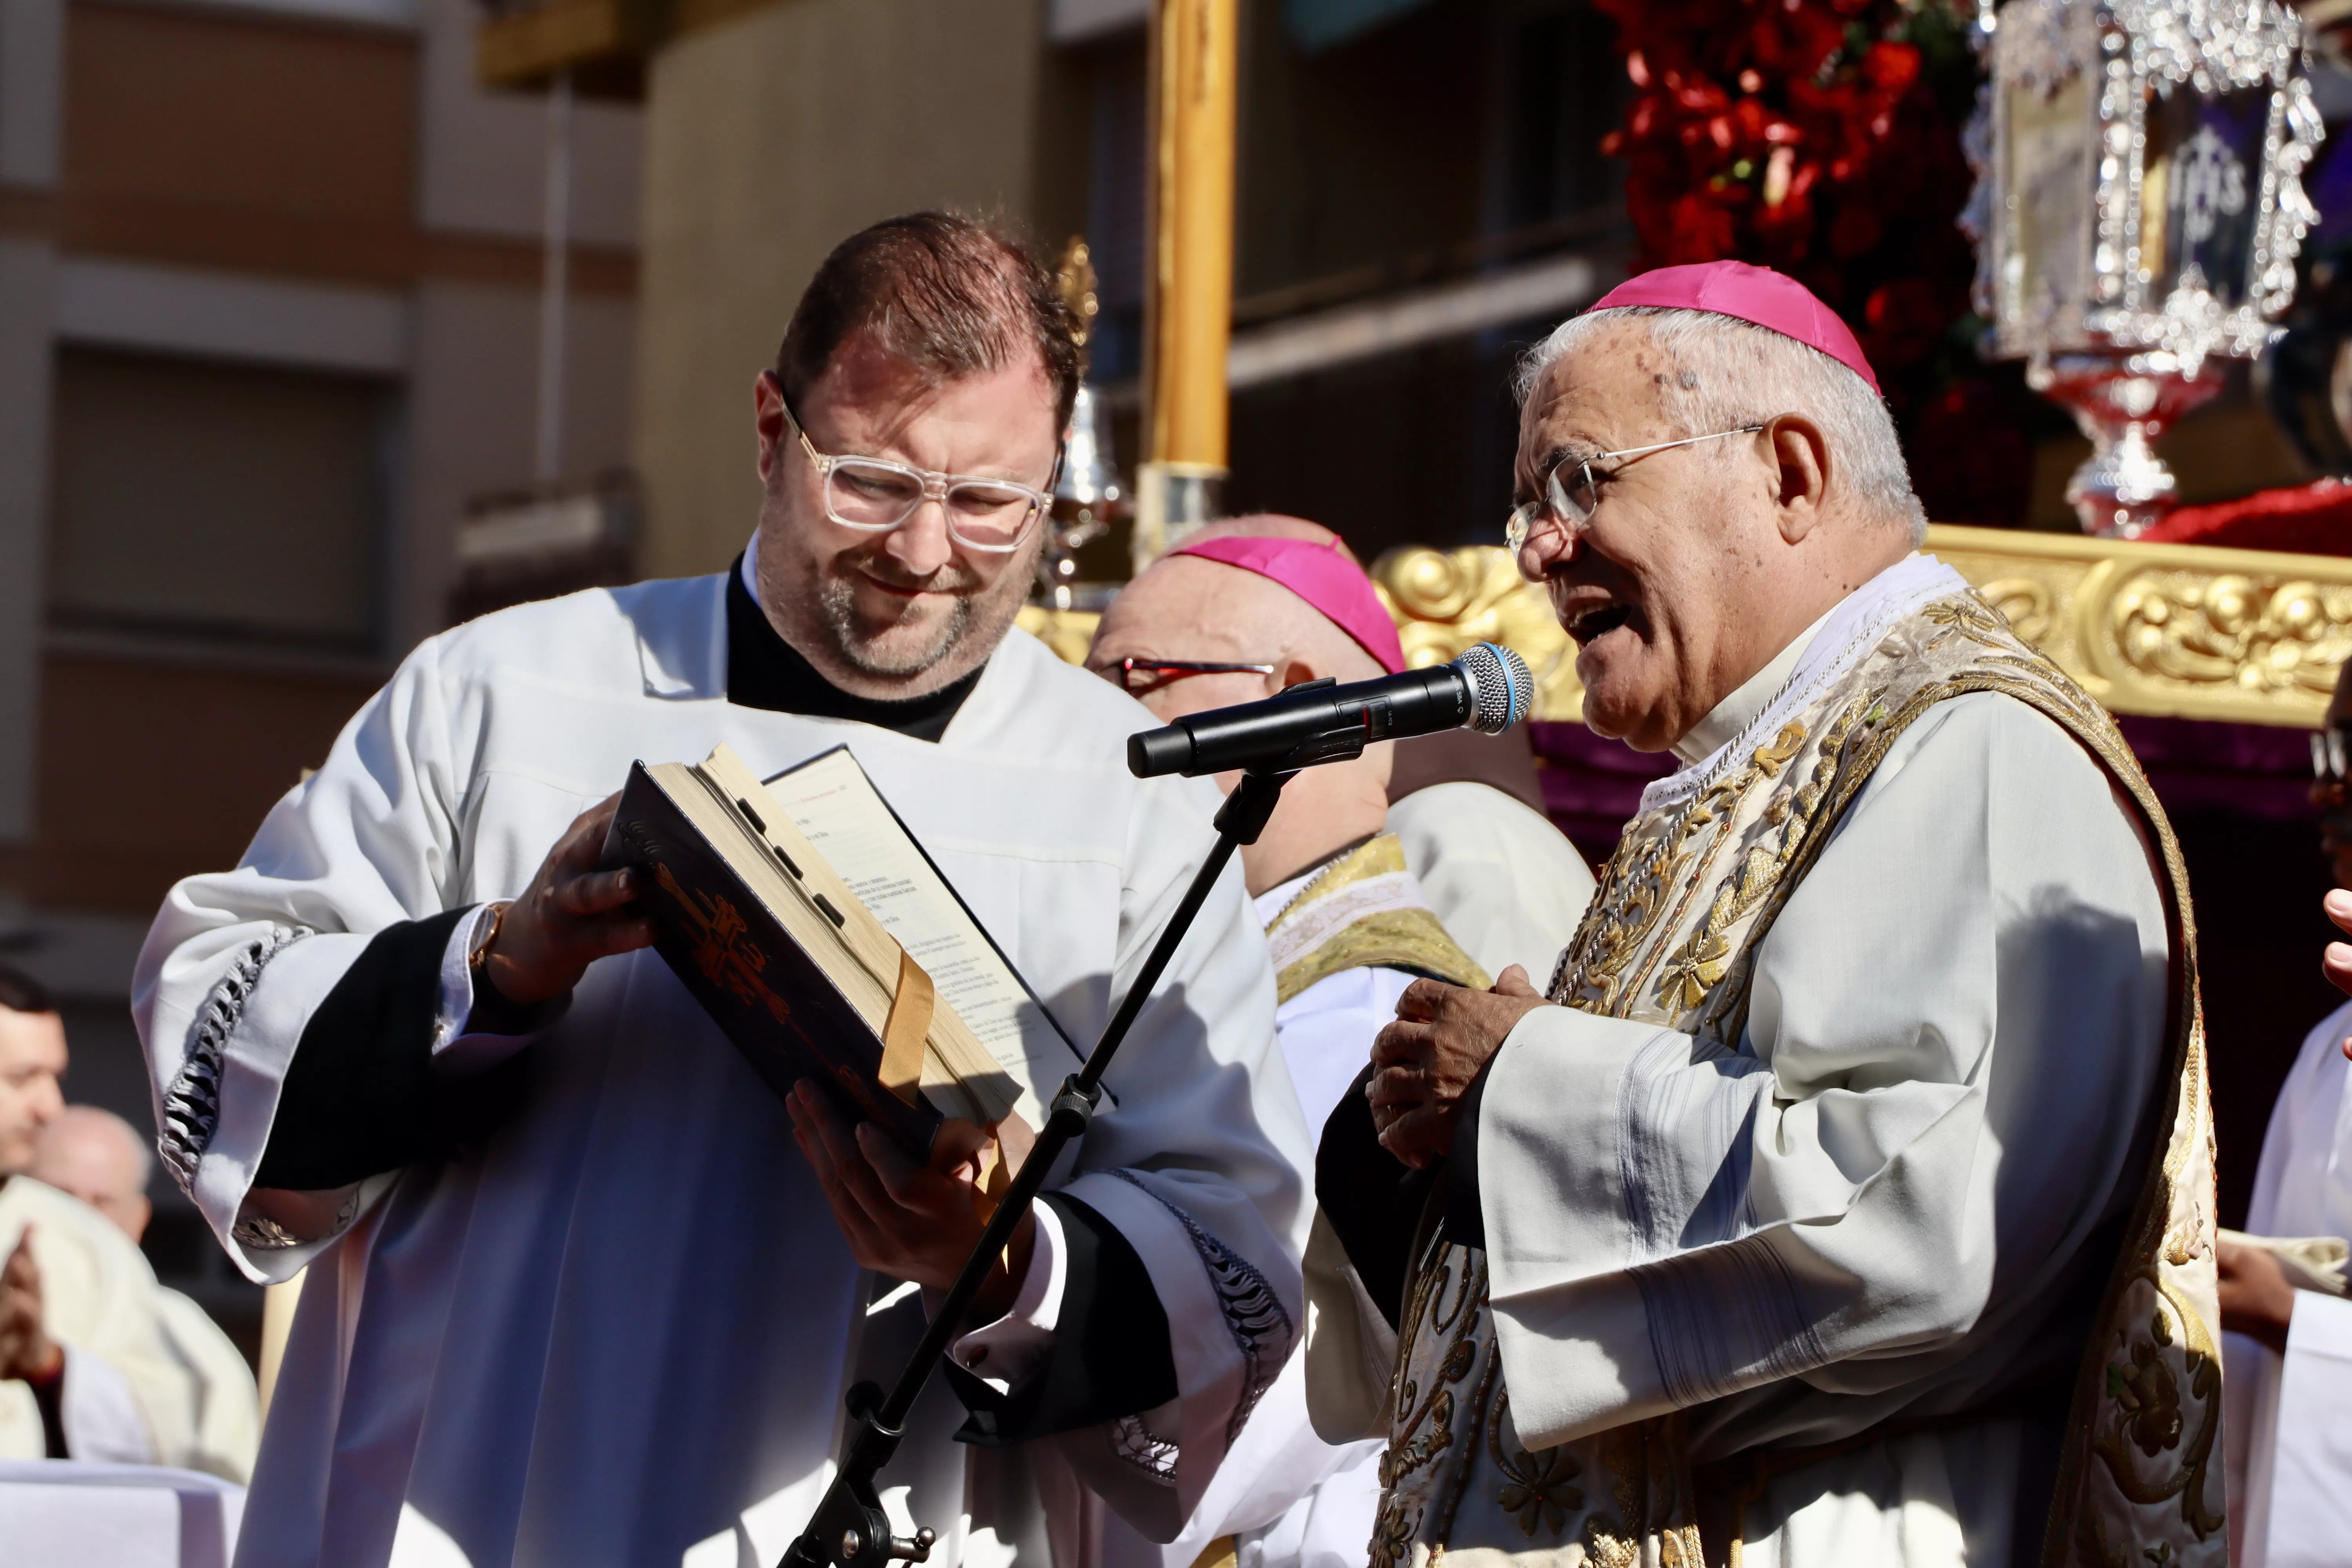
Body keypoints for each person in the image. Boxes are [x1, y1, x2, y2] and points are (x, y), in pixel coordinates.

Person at [134, 212, 1310, 1568]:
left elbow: (1235, 1254)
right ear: (771, 430)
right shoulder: (503, 694)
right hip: (470, 1501)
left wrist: (999, 1259)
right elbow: (215, 1026)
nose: (927, 554)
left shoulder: (1131, 799)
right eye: (871, 481)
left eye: (992, 506)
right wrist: (496, 966)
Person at [1306, 261, 2221, 1565]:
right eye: (1526, 514)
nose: (1542, 552)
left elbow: (1919, 1212)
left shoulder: (1965, 749)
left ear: (1790, 474)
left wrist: (1522, 1090)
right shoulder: (1757, 764)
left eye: (1579, 483)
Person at [1089, 515, 1581, 1568]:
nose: (1093, 732)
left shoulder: (1372, 1011)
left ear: (1295, 692)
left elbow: (1245, 1425)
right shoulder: (1236, 970)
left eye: (1129, 679)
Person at [2216, 659, 2352, 1566]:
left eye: (2349, 749)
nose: (2324, 784)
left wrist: (2297, 1324)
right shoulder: (2325, 1051)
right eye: (2325, 745)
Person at [0, 966, 196, 1466]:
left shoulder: (90, 1249)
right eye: (24, 1079)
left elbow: (163, 1444)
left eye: (56, 1078)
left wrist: (48, 1366)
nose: (52, 1107)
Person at [34, 1104, 260, 1484]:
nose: (80, 1222)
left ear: (139, 1218)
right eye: (60, 1197)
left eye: (101, 1203)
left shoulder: (187, 1337)